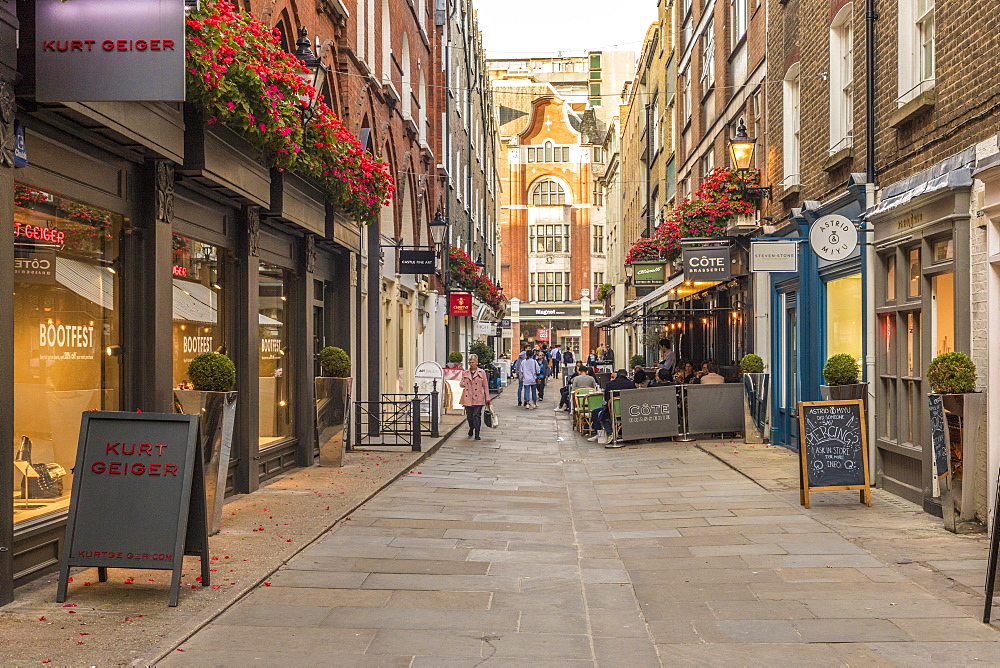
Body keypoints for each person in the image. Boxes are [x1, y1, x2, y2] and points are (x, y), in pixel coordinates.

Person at [587, 369, 636, 445]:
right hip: (629, 411)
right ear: (626, 375)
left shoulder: (609, 384)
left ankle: (610, 433)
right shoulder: (631, 384)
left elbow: (606, 398)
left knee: (600, 414)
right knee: (597, 412)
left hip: (612, 410)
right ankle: (601, 434)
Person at [459, 354, 491, 440]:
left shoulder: (482, 372)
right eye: (470, 362)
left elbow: (485, 386)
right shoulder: (465, 372)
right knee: (469, 416)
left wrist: (487, 397)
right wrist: (462, 384)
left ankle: (477, 433)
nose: (471, 364)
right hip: (468, 397)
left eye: (473, 362)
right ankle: (471, 428)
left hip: (479, 397)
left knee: (477, 415)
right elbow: (461, 383)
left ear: (476, 362)